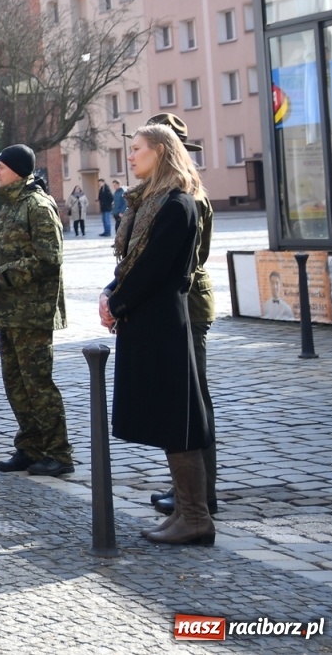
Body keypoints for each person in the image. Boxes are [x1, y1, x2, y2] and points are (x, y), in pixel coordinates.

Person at [99, 124, 214, 546]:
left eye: (137, 149)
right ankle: (185, 511)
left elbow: (153, 269)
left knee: (177, 419)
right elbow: (132, 264)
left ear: (161, 152)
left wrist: (117, 303)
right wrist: (111, 292)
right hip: (147, 321)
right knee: (170, 420)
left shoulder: (177, 204)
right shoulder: (151, 201)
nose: (130, 157)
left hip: (164, 323)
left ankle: (196, 517)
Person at [0, 144, 75, 477]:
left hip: (32, 313)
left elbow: (49, 259)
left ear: (17, 171)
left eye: (1, 167)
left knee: (38, 386)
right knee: (16, 385)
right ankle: (30, 448)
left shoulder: (38, 206)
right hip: (8, 311)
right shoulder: (11, 205)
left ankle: (59, 453)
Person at [144, 114, 219, 519]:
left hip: (188, 303)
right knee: (179, 400)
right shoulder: (161, 192)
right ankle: (185, 487)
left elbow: (191, 257)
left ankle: (202, 494)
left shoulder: (189, 196)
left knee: (194, 400)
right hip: (177, 301)